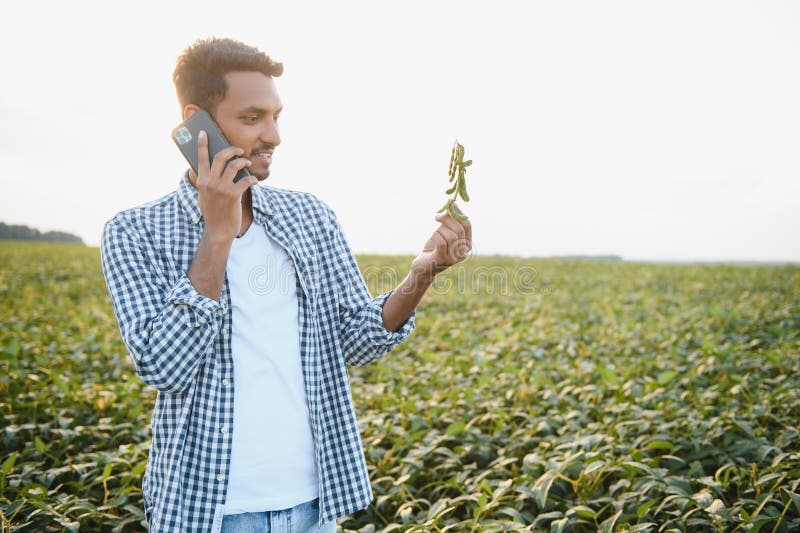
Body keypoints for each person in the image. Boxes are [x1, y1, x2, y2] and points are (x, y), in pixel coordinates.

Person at [100, 37, 472, 533]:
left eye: (276, 117)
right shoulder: (134, 231)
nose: (273, 136)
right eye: (253, 118)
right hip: (207, 513)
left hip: (313, 507)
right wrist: (217, 233)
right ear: (197, 123)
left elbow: (356, 338)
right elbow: (164, 367)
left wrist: (423, 272)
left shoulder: (310, 216)